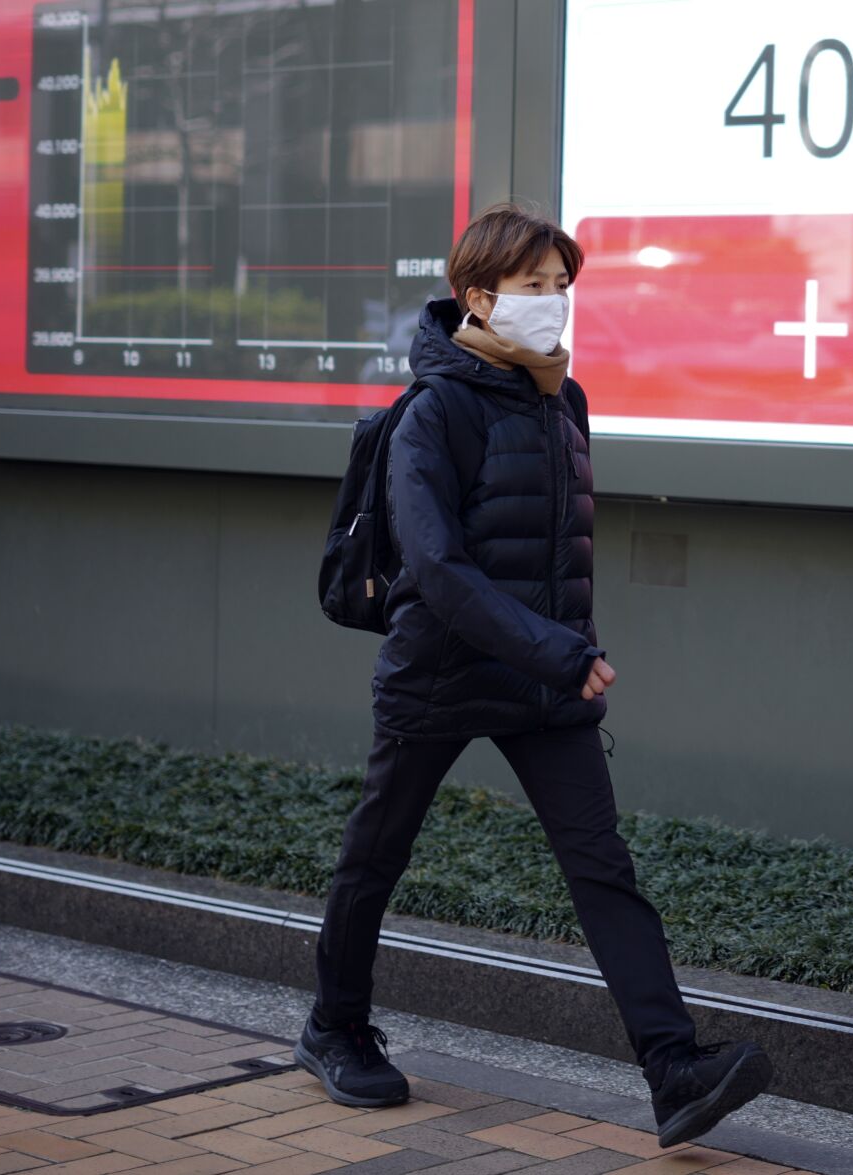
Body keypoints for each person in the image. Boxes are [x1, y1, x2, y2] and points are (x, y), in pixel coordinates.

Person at [295, 204, 774, 1147]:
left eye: (563, 286)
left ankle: (673, 1069)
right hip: (440, 670)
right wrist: (558, 650)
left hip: (542, 682)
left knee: (604, 869)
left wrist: (559, 654)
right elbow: (436, 567)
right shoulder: (433, 413)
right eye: (533, 287)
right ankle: (331, 1026)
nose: (554, 304)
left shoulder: (563, 399)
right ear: (478, 296)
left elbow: (556, 552)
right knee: (375, 857)